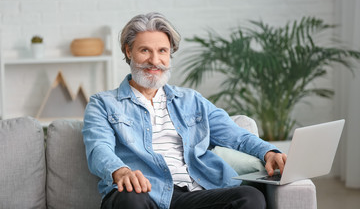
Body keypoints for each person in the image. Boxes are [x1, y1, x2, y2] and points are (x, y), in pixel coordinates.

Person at [82, 12, 287, 209]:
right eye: (145, 50)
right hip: (144, 194)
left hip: (195, 193)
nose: (155, 61)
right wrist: (120, 171)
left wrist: (268, 151)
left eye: (162, 51)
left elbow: (237, 136)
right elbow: (99, 149)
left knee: (250, 197)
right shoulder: (102, 104)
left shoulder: (191, 100)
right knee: (130, 199)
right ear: (128, 51)